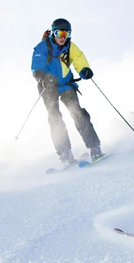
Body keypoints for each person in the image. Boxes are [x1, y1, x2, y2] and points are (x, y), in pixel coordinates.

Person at [31, 18, 103, 167]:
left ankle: (94, 147)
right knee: (54, 117)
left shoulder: (70, 47)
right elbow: (36, 64)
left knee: (78, 113)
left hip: (66, 84)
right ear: (53, 33)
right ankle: (65, 153)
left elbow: (78, 59)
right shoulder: (43, 46)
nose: (63, 37)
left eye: (66, 33)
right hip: (48, 86)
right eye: (59, 33)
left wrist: (84, 70)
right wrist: (43, 76)